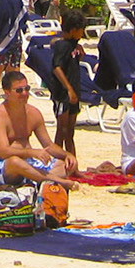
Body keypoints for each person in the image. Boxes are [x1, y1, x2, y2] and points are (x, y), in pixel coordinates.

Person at [0, 68, 75, 186]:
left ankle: (37, 178)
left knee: (65, 165)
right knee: (14, 162)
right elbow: (4, 151)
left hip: (28, 163)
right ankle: (56, 181)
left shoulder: (33, 113)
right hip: (0, 165)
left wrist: (67, 155)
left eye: (27, 89)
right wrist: (32, 153)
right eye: (19, 90)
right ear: (7, 92)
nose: (25, 93)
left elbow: (48, 145)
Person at [47, 11, 86, 159]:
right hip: (63, 94)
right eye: (81, 30)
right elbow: (57, 68)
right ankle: (57, 162)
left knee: (69, 132)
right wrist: (69, 88)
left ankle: (71, 163)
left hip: (73, 92)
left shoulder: (73, 45)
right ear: (74, 30)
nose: (82, 33)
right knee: (62, 130)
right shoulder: (62, 46)